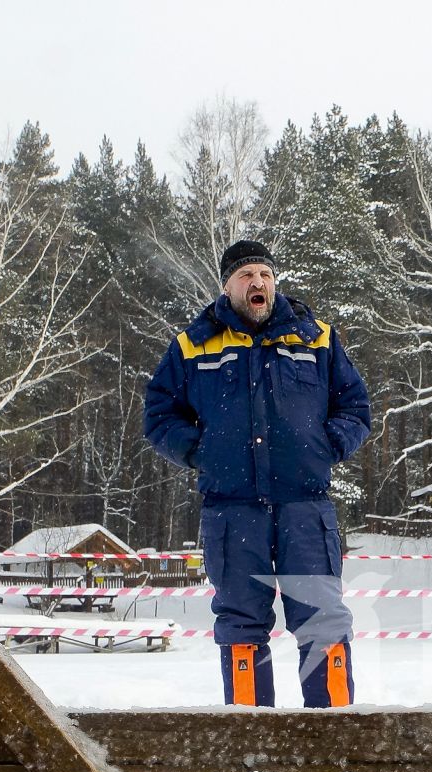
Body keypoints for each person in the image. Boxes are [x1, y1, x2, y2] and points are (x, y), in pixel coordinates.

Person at [144, 240, 371, 707]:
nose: (258, 283)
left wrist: (327, 445)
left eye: (265, 275)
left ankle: (333, 743)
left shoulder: (317, 338)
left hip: (304, 509)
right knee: (241, 623)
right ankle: (254, 743)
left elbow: (355, 406)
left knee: (322, 620)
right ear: (228, 286)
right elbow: (159, 415)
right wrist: (200, 451)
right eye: (247, 275)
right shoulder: (193, 345)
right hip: (232, 513)